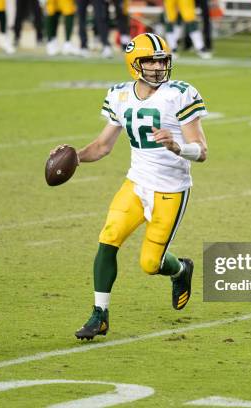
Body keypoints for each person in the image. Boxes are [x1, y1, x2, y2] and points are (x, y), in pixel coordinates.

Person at [51, 33, 208, 340]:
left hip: (171, 189)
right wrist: (74, 158)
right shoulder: (120, 95)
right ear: (134, 64)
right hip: (136, 183)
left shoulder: (180, 93)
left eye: (162, 61)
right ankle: (100, 314)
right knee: (108, 237)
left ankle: (180, 270)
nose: (158, 67)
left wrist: (178, 148)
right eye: (151, 60)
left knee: (151, 264)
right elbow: (102, 146)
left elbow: (202, 150)